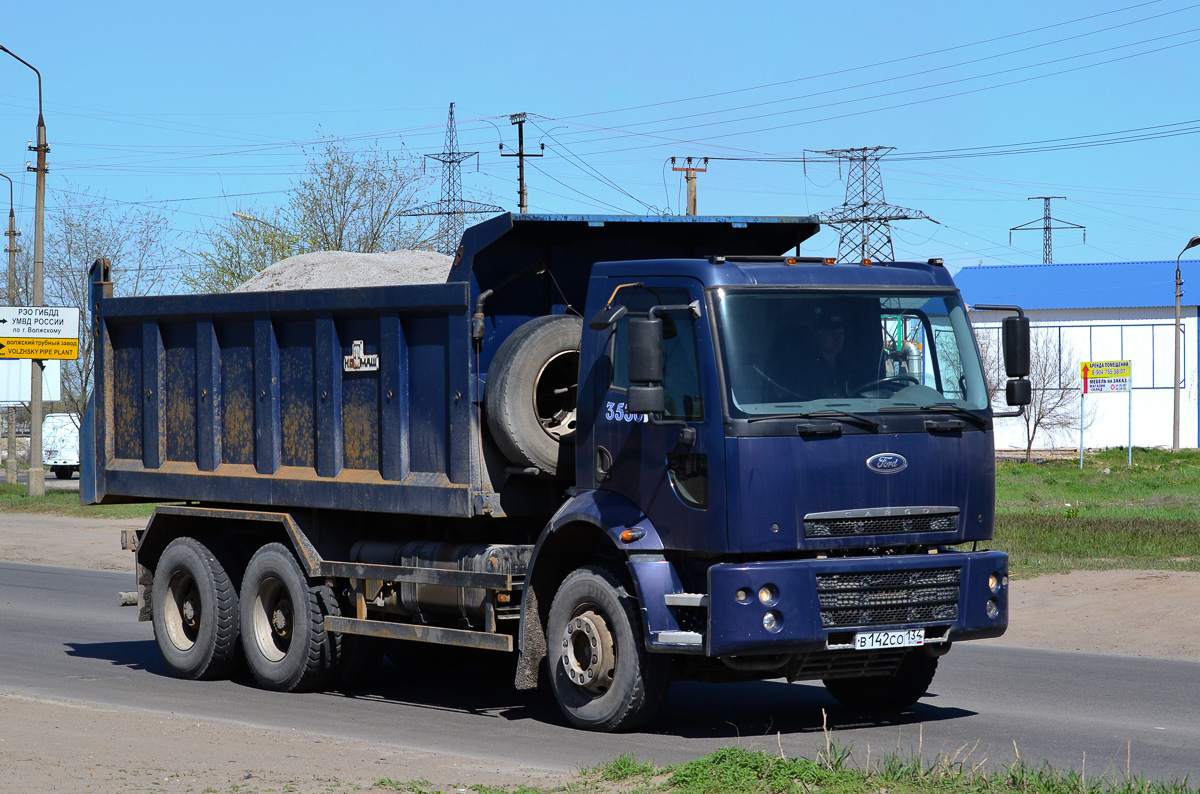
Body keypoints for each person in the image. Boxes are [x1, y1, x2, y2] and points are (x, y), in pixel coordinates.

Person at [807, 308, 853, 397]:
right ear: (817, 336)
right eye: (832, 333)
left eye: (841, 333)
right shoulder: (808, 368)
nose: (838, 338)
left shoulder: (847, 365)